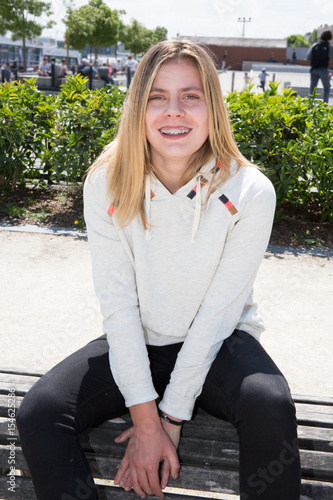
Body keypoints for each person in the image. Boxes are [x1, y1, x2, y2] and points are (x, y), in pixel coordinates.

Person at [16, 39, 301, 500]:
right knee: (39, 413)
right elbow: (118, 303)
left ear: (213, 106)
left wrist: (169, 420)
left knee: (270, 404)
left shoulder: (250, 190)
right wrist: (144, 420)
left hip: (219, 343)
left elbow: (217, 313)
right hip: (139, 338)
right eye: (157, 97)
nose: (174, 111)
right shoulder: (107, 179)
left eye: (191, 96)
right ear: (137, 106)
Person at [306, 29, 333, 103]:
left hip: (314, 69)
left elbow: (308, 58)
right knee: (326, 88)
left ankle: (310, 106)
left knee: (312, 88)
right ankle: (325, 105)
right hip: (323, 70)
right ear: (330, 37)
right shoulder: (328, 47)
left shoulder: (315, 45)